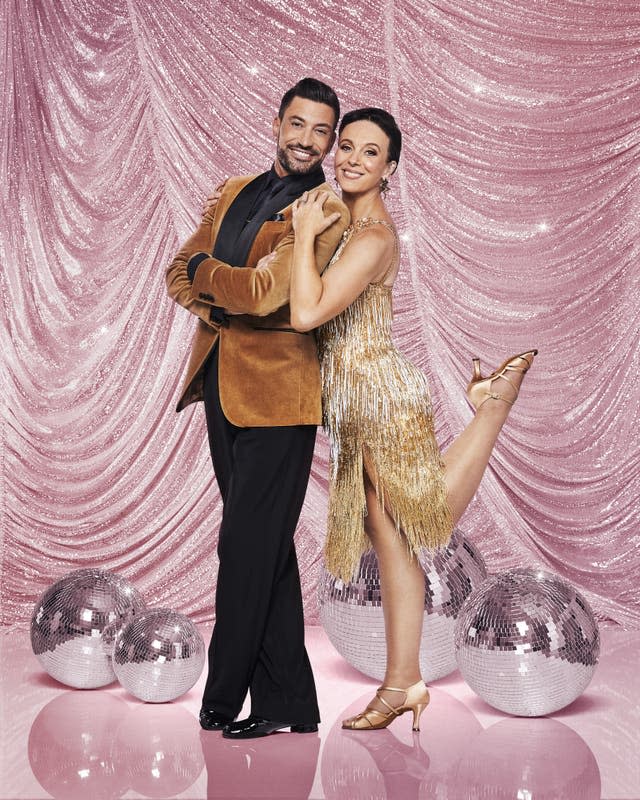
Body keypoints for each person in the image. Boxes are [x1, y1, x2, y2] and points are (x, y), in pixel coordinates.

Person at [283, 107, 537, 731]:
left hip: (377, 394)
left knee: (424, 519)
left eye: (370, 153)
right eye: (346, 146)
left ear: (389, 168)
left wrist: (303, 230)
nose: (350, 159)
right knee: (391, 533)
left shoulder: (371, 238)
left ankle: (492, 410)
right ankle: (404, 683)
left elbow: (306, 314)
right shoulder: (351, 226)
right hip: (356, 397)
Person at [165, 78, 350, 740]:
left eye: (321, 131)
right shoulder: (233, 190)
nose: (307, 139)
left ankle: (220, 700)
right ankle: (288, 703)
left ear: (332, 141)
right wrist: (222, 287)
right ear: (277, 123)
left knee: (244, 547)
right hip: (220, 385)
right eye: (297, 124)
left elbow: (267, 295)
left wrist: (214, 281)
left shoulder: (327, 210)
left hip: (281, 399)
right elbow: (176, 267)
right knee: (265, 548)